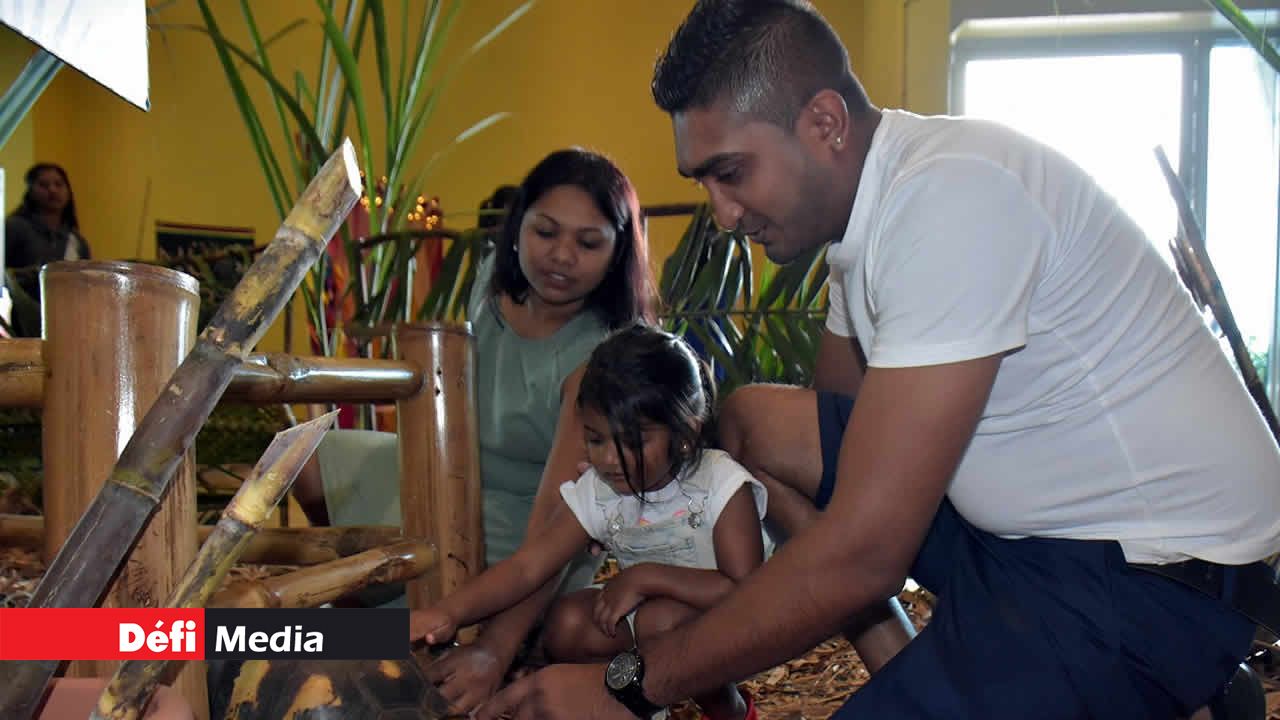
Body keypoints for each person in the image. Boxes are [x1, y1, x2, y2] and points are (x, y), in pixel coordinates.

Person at [474, 2, 1280, 719]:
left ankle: (1156, 681)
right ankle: (938, 674)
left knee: (859, 549)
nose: (720, 213)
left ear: (825, 123)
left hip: (1149, 581)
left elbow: (863, 550)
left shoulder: (948, 201)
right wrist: (719, 597)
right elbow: (836, 470)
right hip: (1031, 540)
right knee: (754, 420)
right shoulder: (863, 232)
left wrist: (635, 682)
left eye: (731, 173)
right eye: (703, 180)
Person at [289, 148, 657, 711]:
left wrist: (496, 648)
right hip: (442, 464)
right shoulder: (492, 280)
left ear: (618, 252)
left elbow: (553, 519)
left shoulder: (597, 352)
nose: (561, 256)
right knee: (306, 454)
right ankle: (367, 610)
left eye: (589, 243)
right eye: (546, 231)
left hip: (523, 522)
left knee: (422, 591)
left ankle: (431, 630)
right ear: (517, 228)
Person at [411, 324, 766, 720]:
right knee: (565, 623)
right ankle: (638, 702)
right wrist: (450, 613)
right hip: (647, 617)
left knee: (662, 621)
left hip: (730, 626)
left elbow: (746, 591)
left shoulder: (720, 483)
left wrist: (645, 577)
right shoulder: (600, 489)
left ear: (685, 431)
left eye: (631, 442)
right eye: (596, 440)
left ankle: (731, 710)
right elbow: (530, 566)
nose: (610, 460)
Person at [4, 163, 89, 337]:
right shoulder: (14, 228)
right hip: (22, 324)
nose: (52, 190)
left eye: (58, 184)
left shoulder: (76, 241)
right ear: (30, 190)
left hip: (67, 323)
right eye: (44, 185)